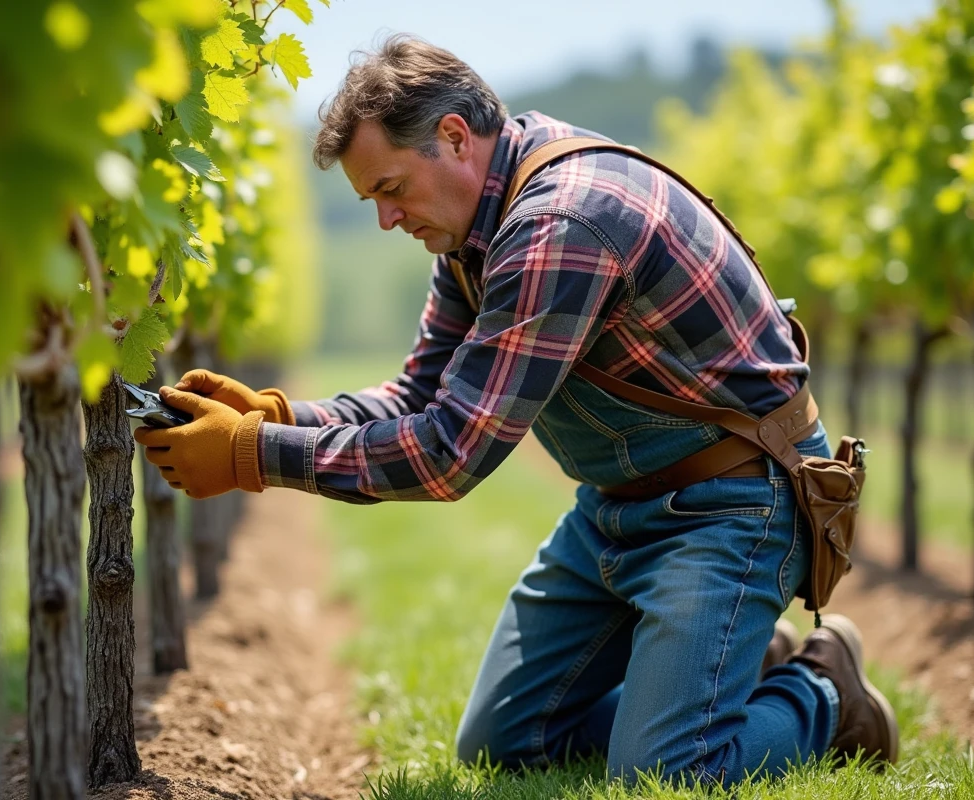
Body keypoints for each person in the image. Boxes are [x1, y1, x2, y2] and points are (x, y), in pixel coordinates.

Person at [135, 34, 897, 787]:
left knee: (670, 773)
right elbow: (417, 397)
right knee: (503, 746)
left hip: (733, 505)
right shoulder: (473, 232)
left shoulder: (559, 225)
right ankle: (725, 665)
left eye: (391, 189)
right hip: (618, 507)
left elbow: (449, 452)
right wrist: (278, 416)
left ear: (455, 137)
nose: (385, 222)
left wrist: (251, 456)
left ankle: (824, 690)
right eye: (372, 201)